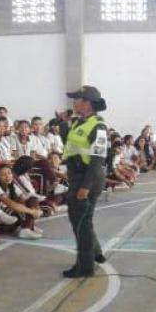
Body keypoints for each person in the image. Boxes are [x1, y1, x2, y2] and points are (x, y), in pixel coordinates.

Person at [62, 86, 109, 278]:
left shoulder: (98, 126)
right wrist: (63, 124)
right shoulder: (79, 122)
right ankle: (94, 254)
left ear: (87, 103)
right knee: (81, 221)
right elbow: (69, 145)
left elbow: (97, 159)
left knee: (82, 223)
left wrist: (85, 187)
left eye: (77, 99)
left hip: (88, 178)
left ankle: (85, 266)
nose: (73, 103)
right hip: (77, 176)